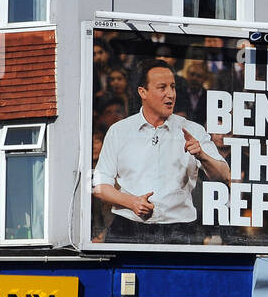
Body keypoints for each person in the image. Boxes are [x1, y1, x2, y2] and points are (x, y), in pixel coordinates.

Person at [92, 59, 231, 243]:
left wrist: (202, 156)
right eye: (162, 87)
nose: (170, 94)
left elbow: (224, 175)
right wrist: (132, 202)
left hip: (180, 231)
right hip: (128, 228)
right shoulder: (119, 131)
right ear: (143, 92)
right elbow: (101, 186)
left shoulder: (193, 130)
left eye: (172, 87)